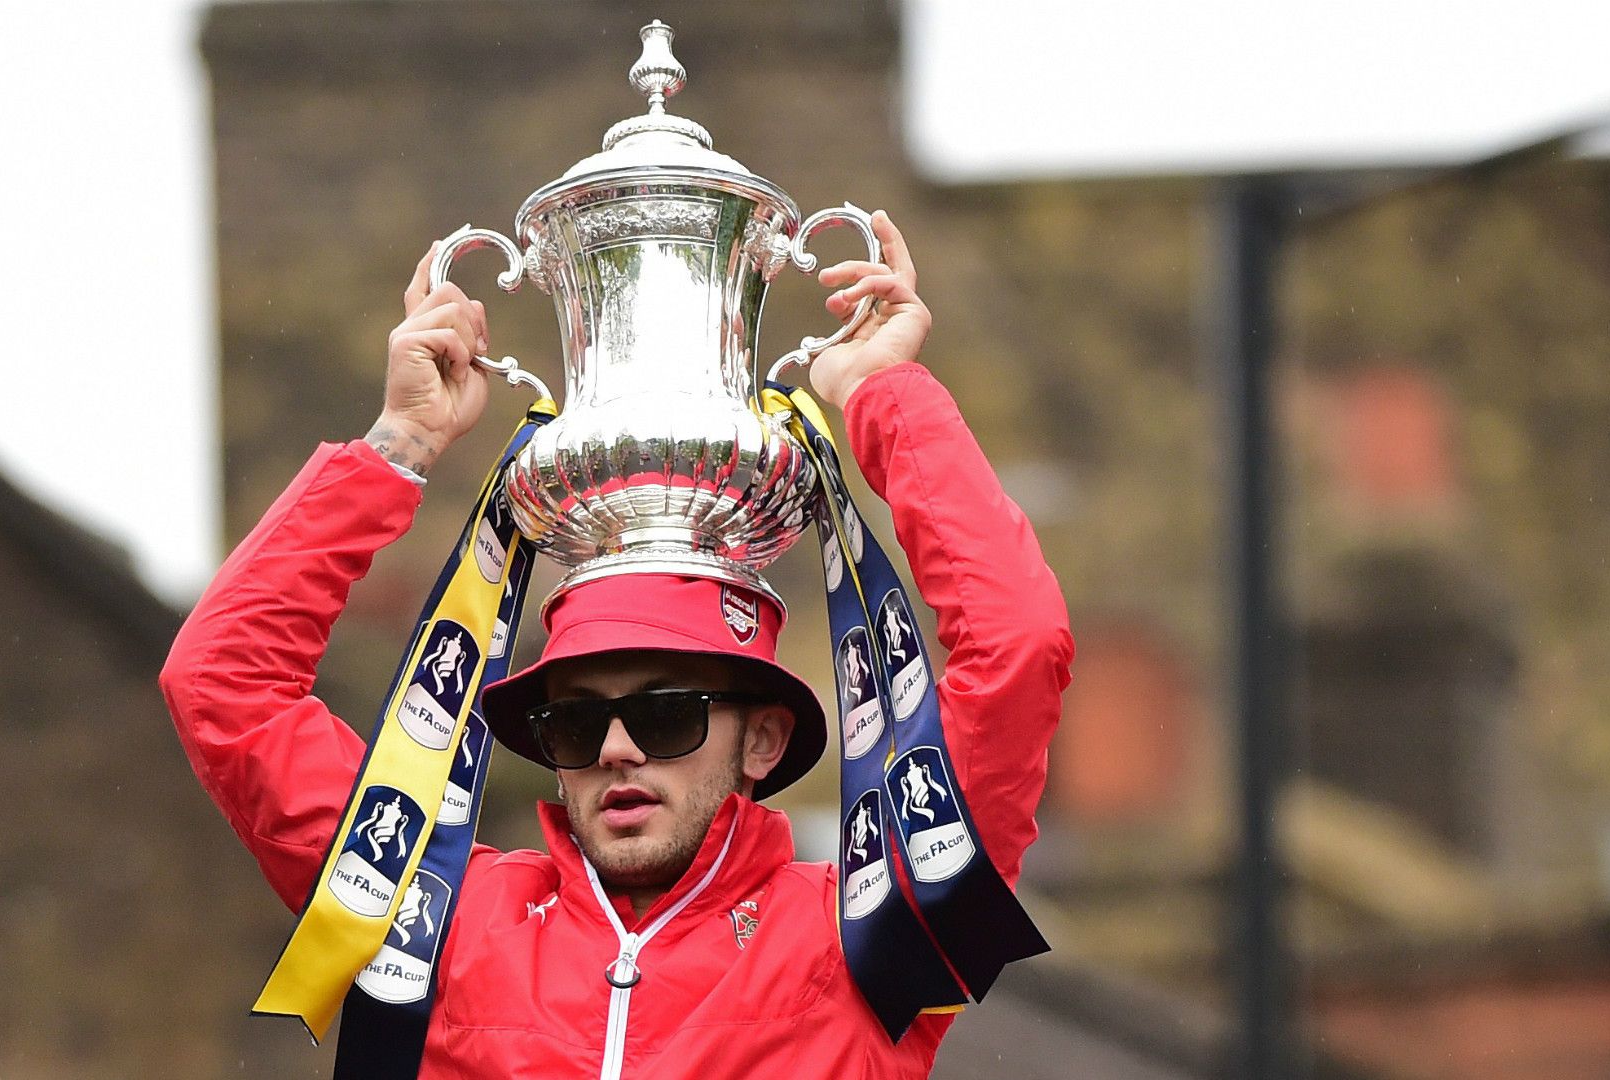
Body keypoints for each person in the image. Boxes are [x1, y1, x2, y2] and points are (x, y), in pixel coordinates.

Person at [159, 212, 1073, 1078]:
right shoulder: (441, 918)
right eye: (574, 722)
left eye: (666, 712)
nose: (616, 748)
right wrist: (401, 442)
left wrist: (883, 396)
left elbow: (1018, 647)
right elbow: (219, 684)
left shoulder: (869, 928)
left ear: (762, 738)